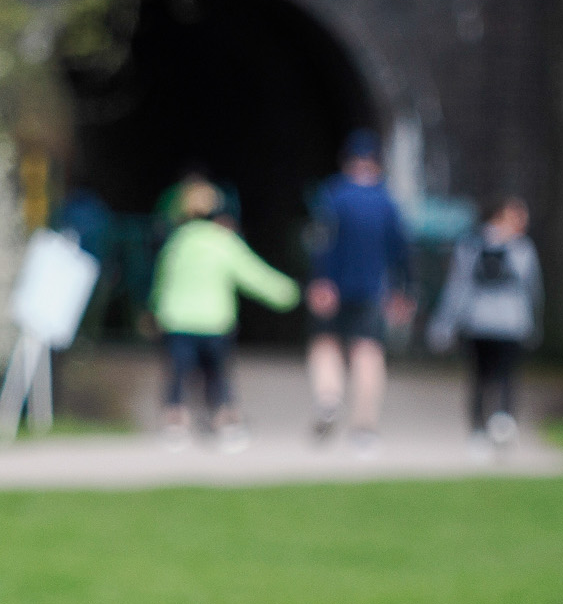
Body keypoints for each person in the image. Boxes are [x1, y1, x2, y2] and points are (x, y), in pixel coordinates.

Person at [150, 180, 300, 448]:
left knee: (178, 375)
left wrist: (155, 310)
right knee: (218, 377)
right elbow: (255, 275)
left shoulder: (177, 242)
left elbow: (162, 280)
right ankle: (226, 424)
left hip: (178, 321)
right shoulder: (224, 240)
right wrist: (290, 293)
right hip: (214, 322)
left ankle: (175, 425)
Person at [305, 130, 413, 452]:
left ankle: (329, 398)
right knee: (368, 353)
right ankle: (364, 427)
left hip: (333, 287)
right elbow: (401, 250)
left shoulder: (332, 195)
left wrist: (321, 280)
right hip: (371, 290)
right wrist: (403, 290)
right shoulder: (388, 203)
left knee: (326, 345)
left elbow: (321, 243)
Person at [426, 195, 543, 452]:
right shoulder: (520, 249)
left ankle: (481, 431)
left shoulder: (471, 245)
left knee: (481, 378)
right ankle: (500, 423)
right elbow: (531, 289)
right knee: (503, 377)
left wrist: (443, 325)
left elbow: (456, 288)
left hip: (481, 323)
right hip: (504, 324)